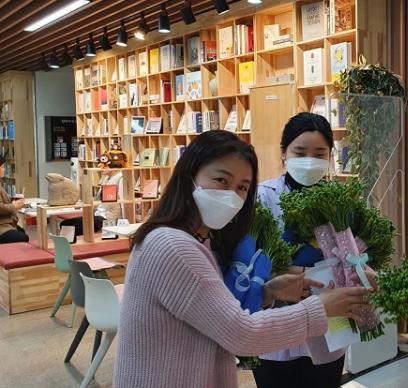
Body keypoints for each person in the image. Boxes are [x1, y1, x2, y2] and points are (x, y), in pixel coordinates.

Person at [114, 130, 370, 388]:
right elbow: (242, 334)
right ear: (189, 175)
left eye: (242, 187)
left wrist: (268, 292)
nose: (231, 195)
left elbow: (210, 313)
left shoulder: (198, 239)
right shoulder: (173, 247)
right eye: (221, 180)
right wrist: (321, 309)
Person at [252, 112, 346, 388]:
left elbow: (351, 253)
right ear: (284, 153)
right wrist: (292, 272)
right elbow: (249, 260)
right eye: (300, 152)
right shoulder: (263, 196)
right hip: (275, 324)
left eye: (319, 154)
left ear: (330, 156)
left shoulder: (340, 201)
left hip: (328, 324)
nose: (310, 160)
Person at [0, 155, 29, 244]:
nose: (4, 169)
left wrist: (14, 200)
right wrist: (14, 205)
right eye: (2, 167)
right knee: (23, 237)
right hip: (2, 226)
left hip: (6, 223)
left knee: (22, 232)